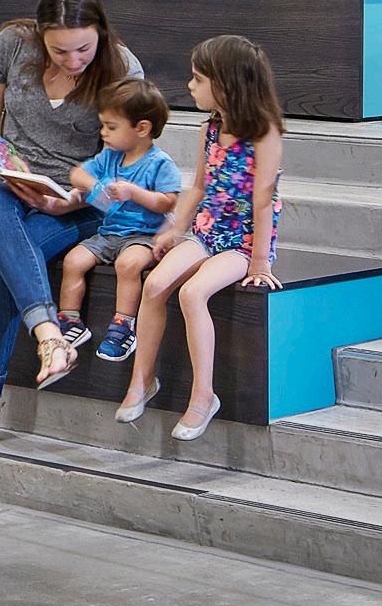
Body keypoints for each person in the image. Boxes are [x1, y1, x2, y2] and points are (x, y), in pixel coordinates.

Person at [0, 0, 144, 452]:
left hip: (87, 204)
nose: (73, 60)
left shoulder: (121, 68)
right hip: (20, 190)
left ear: (101, 33)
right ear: (41, 35)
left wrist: (72, 199)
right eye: (59, 50)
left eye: (84, 49)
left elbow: (129, 167)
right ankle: (50, 335)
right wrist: (6, 170)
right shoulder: (11, 46)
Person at [120, 34, 286, 440]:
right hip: (208, 231)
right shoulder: (210, 129)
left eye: (198, 79)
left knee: (192, 294)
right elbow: (198, 186)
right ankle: (142, 380)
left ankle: (203, 396)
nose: (190, 86)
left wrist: (260, 261)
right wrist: (175, 230)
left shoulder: (265, 134)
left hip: (243, 243)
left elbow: (263, 201)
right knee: (155, 284)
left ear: (225, 85)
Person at [53, 77, 182, 366]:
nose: (103, 133)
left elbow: (168, 201)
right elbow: (77, 174)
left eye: (111, 127)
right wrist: (94, 186)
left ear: (142, 128)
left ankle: (123, 327)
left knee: (128, 265)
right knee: (73, 261)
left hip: (143, 235)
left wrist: (133, 192)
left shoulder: (159, 163)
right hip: (108, 233)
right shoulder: (109, 156)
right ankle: (70, 321)